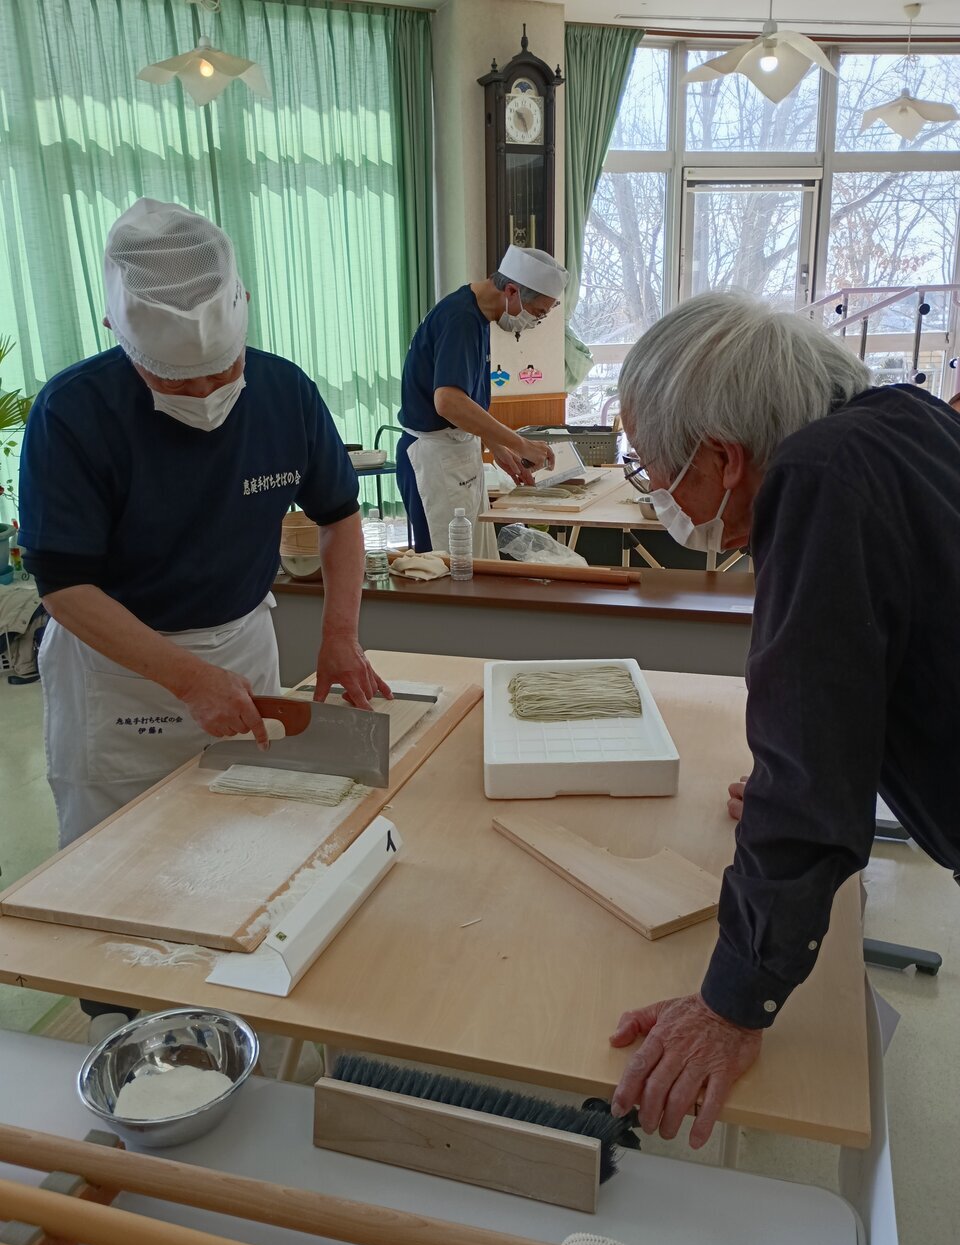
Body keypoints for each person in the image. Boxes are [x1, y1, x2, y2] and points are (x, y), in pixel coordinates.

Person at [18, 199, 389, 1031]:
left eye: (221, 373)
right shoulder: (73, 414)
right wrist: (186, 676)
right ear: (121, 336)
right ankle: (135, 1032)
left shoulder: (285, 391)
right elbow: (64, 587)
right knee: (127, 880)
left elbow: (340, 517)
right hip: (119, 673)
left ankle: (234, 1014)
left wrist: (338, 636)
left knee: (245, 851)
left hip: (243, 645)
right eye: (178, 381)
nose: (207, 394)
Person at [607, 291, 960, 1149]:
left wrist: (734, 1000)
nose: (659, 494)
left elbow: (806, 778)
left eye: (656, 470)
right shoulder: (899, 419)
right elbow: (880, 661)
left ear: (725, 458)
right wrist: (804, 773)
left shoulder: (815, 477)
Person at [397, 246, 567, 558]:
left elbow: (466, 402)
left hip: (455, 451)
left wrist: (496, 445)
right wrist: (520, 444)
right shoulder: (460, 319)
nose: (534, 322)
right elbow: (448, 402)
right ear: (512, 291)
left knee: (476, 563)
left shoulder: (477, 315)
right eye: (539, 314)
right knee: (450, 568)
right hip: (434, 458)